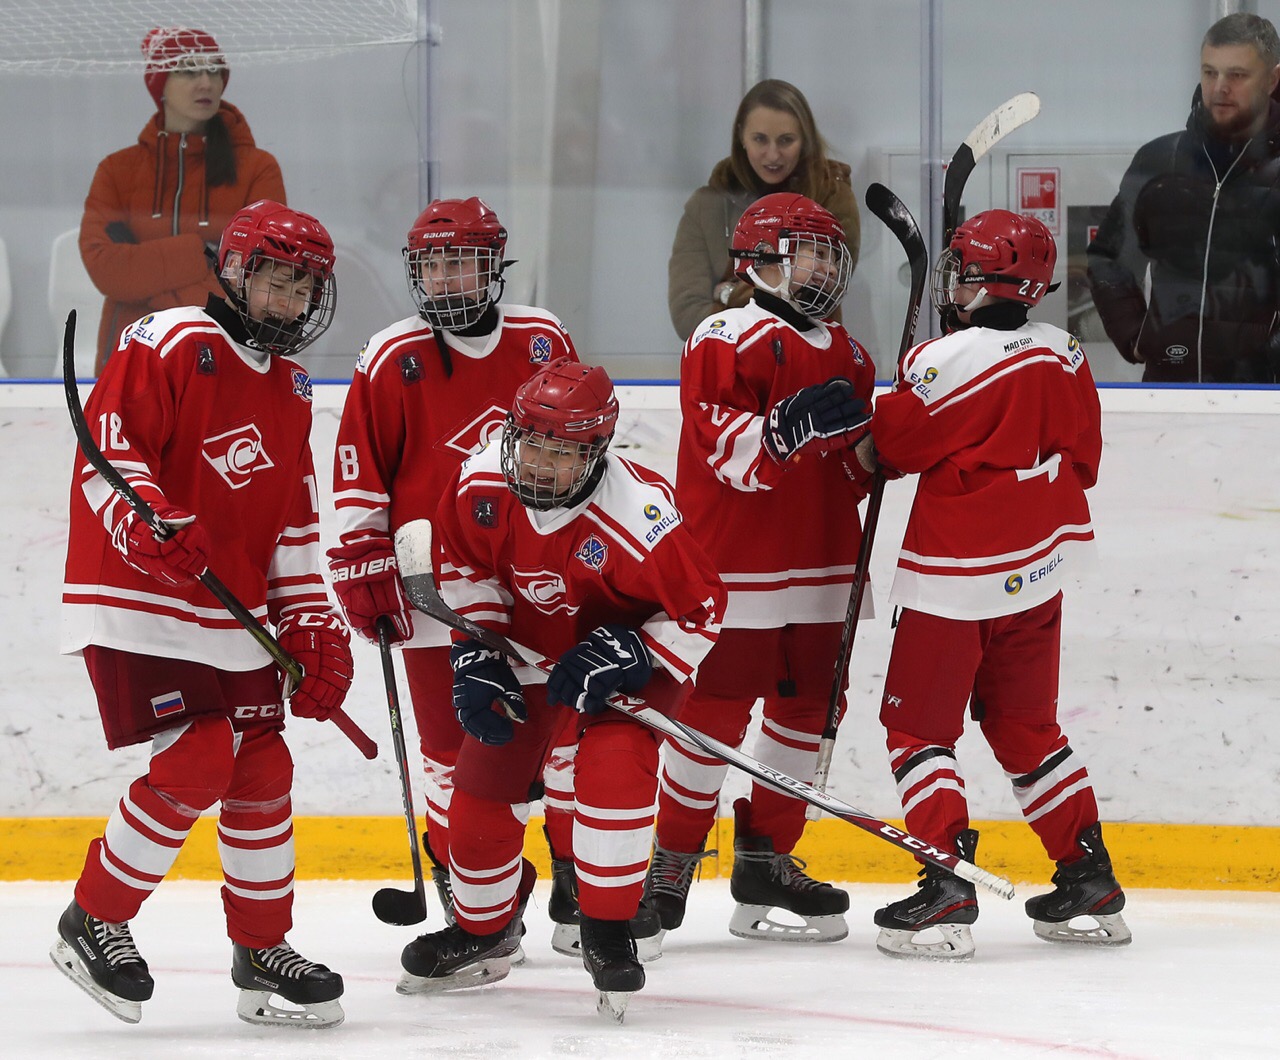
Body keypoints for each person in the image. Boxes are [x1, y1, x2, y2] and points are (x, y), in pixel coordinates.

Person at [53, 200, 354, 1027]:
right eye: (277, 280)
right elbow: (107, 453)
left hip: (231, 612)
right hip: (138, 595)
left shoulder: (292, 385)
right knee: (198, 759)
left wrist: (310, 623)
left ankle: (262, 948)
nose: (291, 301)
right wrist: (147, 525)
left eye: (305, 287)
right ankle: (95, 918)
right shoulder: (171, 339)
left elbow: (293, 520)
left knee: (264, 770)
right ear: (234, 272)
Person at [396, 359, 724, 1020]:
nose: (542, 464)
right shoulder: (481, 479)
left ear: (598, 453)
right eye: (533, 443)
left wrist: (634, 649)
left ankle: (608, 930)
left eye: (564, 452)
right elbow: (464, 566)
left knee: (614, 770)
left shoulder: (640, 514)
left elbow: (703, 609)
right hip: (527, 647)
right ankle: (483, 931)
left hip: (627, 663)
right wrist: (476, 649)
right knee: (483, 784)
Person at [857, 209, 1130, 961]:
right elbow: (1084, 458)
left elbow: (894, 447)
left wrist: (908, 384)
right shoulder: (1068, 353)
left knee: (918, 730)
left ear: (981, 281)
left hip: (955, 576)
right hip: (1042, 567)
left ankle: (945, 886)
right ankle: (1088, 875)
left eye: (962, 271)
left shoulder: (948, 360)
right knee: (1026, 727)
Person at [325, 197, 587, 952]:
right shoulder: (389, 356)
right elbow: (358, 476)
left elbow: (582, 450)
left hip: (534, 581)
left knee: (564, 744)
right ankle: (476, 890)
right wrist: (359, 560)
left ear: (493, 265)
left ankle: (576, 881)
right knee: (449, 756)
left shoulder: (542, 338)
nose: (444, 279)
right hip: (431, 589)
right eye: (431, 265)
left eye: (461, 261)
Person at [640, 192, 876, 951]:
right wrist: (795, 424)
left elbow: (858, 469)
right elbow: (729, 454)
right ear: (760, 260)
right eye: (807, 250)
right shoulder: (723, 335)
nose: (821, 266)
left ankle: (767, 860)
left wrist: (890, 443)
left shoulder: (852, 352)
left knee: (806, 716)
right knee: (711, 719)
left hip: (824, 563)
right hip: (734, 567)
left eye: (828, 253)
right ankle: (670, 866)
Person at [80, 26, 288, 373]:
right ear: (159, 83)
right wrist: (201, 252)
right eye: (188, 70)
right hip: (130, 358)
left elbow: (259, 274)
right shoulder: (117, 170)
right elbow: (106, 269)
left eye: (213, 70)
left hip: (222, 358)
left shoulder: (257, 168)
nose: (206, 82)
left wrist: (149, 290)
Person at [1087, 12, 1280, 383]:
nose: (1220, 87)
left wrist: (1269, 352)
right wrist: (1137, 338)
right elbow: (1109, 257)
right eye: (1210, 72)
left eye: (1237, 75)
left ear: (1272, 79)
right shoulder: (1159, 159)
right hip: (1170, 387)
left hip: (1267, 397)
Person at [667, 78, 861, 342]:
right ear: (740, 136)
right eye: (760, 139)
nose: (772, 155)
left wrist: (727, 294)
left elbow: (819, 296)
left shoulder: (833, 196)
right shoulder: (705, 206)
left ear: (804, 140)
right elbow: (687, 315)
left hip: (812, 360)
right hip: (732, 368)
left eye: (786, 140)